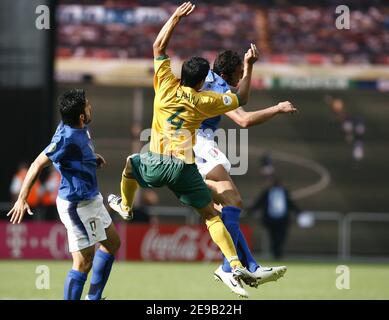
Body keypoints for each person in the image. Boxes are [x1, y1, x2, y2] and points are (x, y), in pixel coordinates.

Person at [108, 2, 257, 297]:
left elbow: (158, 45)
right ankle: (235, 263)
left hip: (153, 162)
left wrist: (175, 17)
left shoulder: (164, 83)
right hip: (184, 169)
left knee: (129, 164)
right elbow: (242, 99)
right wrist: (250, 66)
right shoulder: (205, 101)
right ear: (202, 81)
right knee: (212, 216)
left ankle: (125, 206)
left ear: (181, 73)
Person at [193, 50, 296, 295]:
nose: (241, 79)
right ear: (227, 74)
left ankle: (249, 265)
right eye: (239, 74)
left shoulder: (207, 79)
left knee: (223, 209)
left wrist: (249, 66)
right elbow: (244, 119)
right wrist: (278, 108)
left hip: (186, 142)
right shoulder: (218, 88)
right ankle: (229, 268)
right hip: (196, 142)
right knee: (233, 201)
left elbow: (242, 98)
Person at [7, 89, 121, 300]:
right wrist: (22, 198)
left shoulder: (79, 128)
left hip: (91, 198)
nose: (90, 107)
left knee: (112, 243)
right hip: (76, 205)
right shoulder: (66, 137)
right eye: (87, 105)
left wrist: (90, 158)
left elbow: (68, 157)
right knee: (83, 262)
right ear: (80, 116)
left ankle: (93, 298)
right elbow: (37, 164)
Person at [250, 177, 301, 260]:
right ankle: (275, 254)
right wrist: (251, 211)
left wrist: (299, 212)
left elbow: (290, 203)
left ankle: (278, 253)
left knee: (281, 236)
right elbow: (259, 202)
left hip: (283, 219)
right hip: (271, 219)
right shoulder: (267, 192)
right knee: (273, 236)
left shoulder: (284, 192)